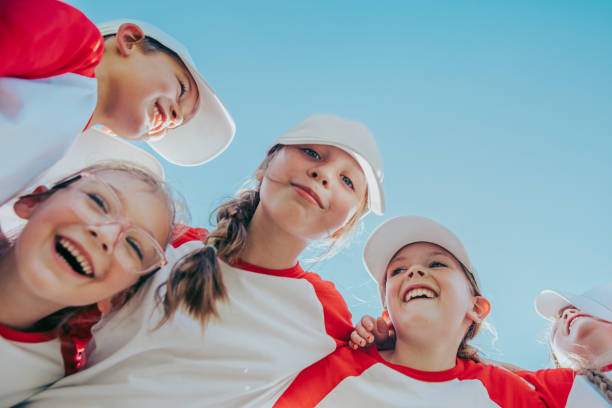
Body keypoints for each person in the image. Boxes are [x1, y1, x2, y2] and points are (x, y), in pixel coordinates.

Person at [24, 113, 385, 407]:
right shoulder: (165, 242)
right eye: (311, 153)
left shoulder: (330, 321)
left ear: (342, 228)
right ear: (263, 167)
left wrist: (381, 340)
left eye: (347, 181)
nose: (323, 174)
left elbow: (397, 373)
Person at [275, 216, 576, 407]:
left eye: (436, 264)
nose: (415, 271)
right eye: (398, 270)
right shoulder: (333, 363)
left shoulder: (513, 392)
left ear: (476, 308)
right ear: (386, 313)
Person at [0, 0, 235, 205]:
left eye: (175, 124)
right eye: (181, 89)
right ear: (129, 39)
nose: (174, 117)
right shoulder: (79, 45)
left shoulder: (63, 149)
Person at [0, 163, 182, 407]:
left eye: (134, 246)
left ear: (117, 298)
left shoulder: (53, 378)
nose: (106, 235)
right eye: (98, 202)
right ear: (34, 200)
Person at [535, 284, 612, 406]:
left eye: (583, 306)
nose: (569, 313)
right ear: (560, 365)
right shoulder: (554, 392)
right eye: (555, 330)